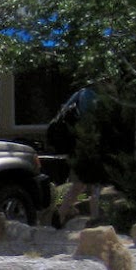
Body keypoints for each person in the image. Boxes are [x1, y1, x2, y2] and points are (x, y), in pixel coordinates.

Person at [49, 86, 101, 227]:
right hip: (88, 146)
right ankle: (95, 218)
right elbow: (94, 124)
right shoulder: (93, 97)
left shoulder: (79, 95)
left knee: (78, 185)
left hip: (75, 147)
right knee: (96, 183)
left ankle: (60, 214)